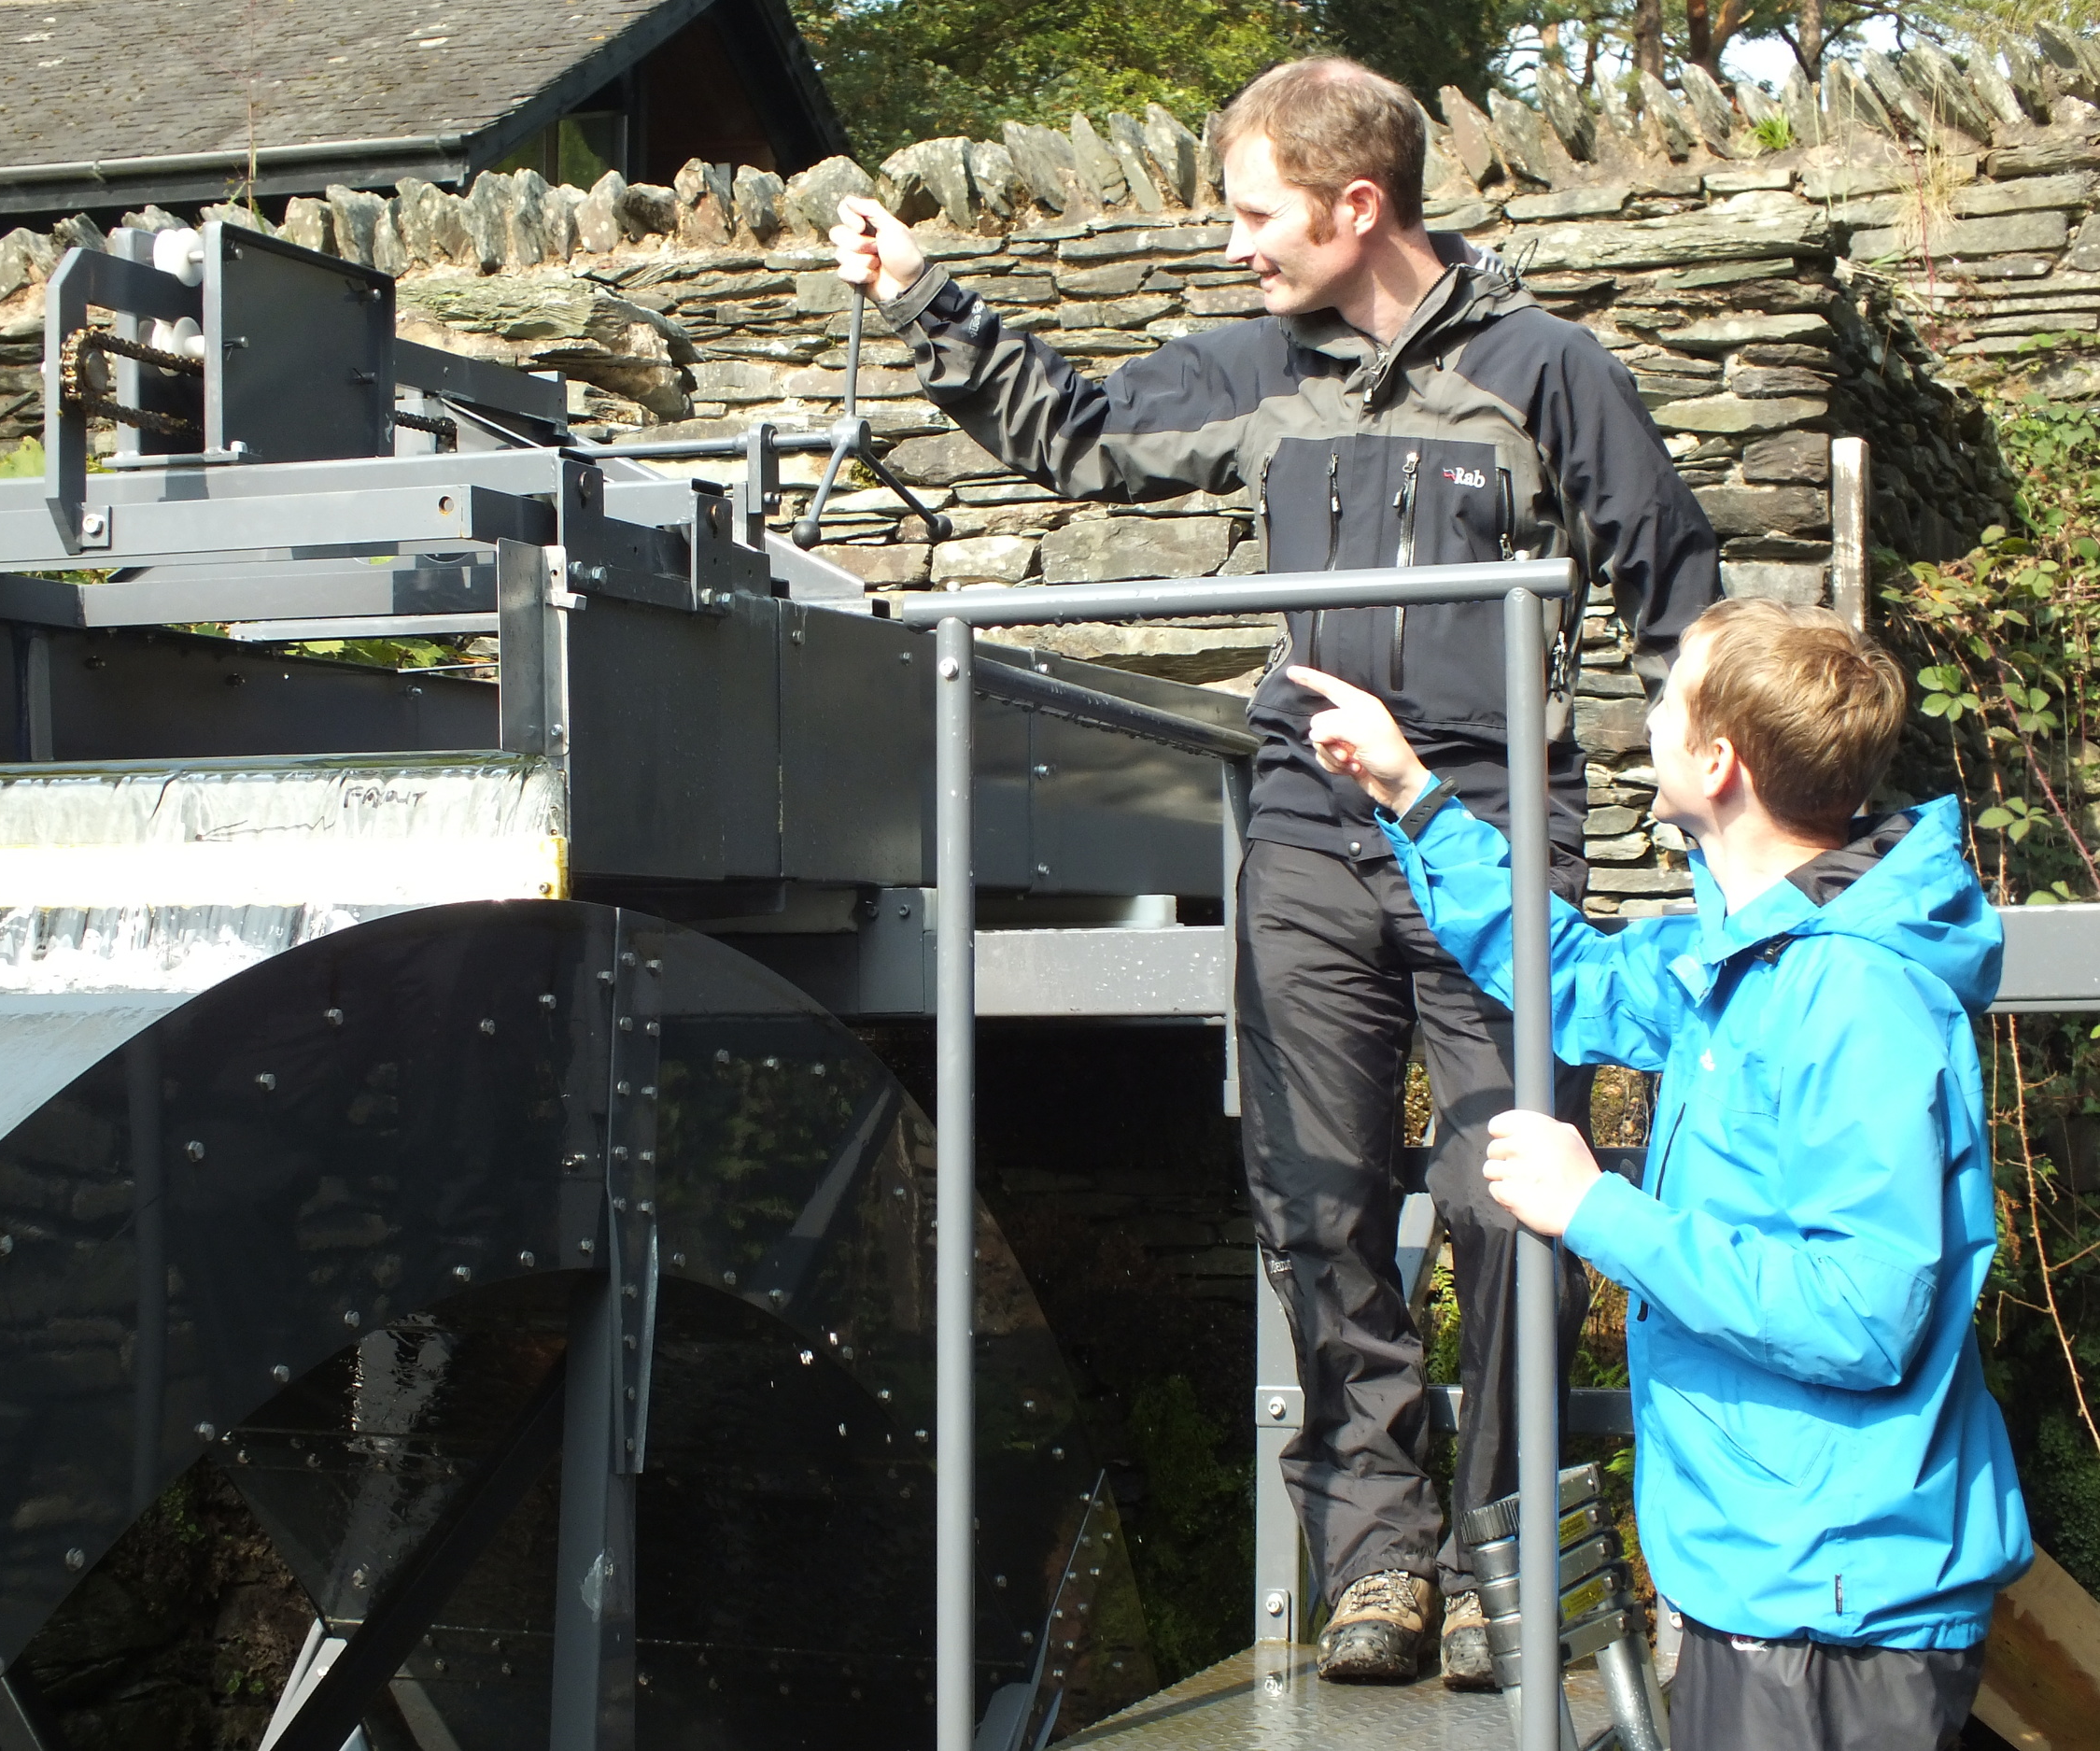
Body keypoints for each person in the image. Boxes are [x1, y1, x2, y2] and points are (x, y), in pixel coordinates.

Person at [831, 58, 1722, 1685]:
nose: (1237, 244)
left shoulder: (1548, 370)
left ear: (1353, 204)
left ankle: (1498, 1559)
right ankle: (1374, 1564)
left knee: (1509, 1197)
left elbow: (1677, 591)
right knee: (1317, 1197)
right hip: (1310, 825)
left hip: (1496, 820)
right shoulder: (1252, 367)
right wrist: (922, 300)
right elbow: (1083, 442)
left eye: (1255, 212)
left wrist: (1728, 815)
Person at [1291, 597, 2033, 1750]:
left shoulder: (1853, 999)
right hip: (1771, 1575)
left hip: (1830, 1605)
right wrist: (1411, 796)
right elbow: (1572, 978)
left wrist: (1599, 1209)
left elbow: (1861, 1313)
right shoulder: (1745, 953)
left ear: (1720, 761)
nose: (1644, 721)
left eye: (1666, 699)